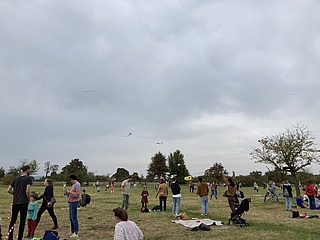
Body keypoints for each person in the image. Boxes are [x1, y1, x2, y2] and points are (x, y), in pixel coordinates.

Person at [7, 165, 32, 240]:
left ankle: (10, 237)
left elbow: (8, 189)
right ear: (27, 170)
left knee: (13, 220)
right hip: (23, 202)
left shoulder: (16, 178)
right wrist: (28, 198)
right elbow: (27, 190)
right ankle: (19, 237)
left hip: (15, 202)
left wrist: (15, 193)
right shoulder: (28, 178)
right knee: (22, 221)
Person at [64, 173, 81, 238]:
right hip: (71, 202)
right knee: (71, 218)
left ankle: (76, 232)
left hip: (74, 202)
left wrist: (70, 192)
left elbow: (77, 194)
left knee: (74, 217)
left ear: (72, 179)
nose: (70, 181)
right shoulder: (74, 185)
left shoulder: (77, 185)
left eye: (70, 180)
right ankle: (72, 231)